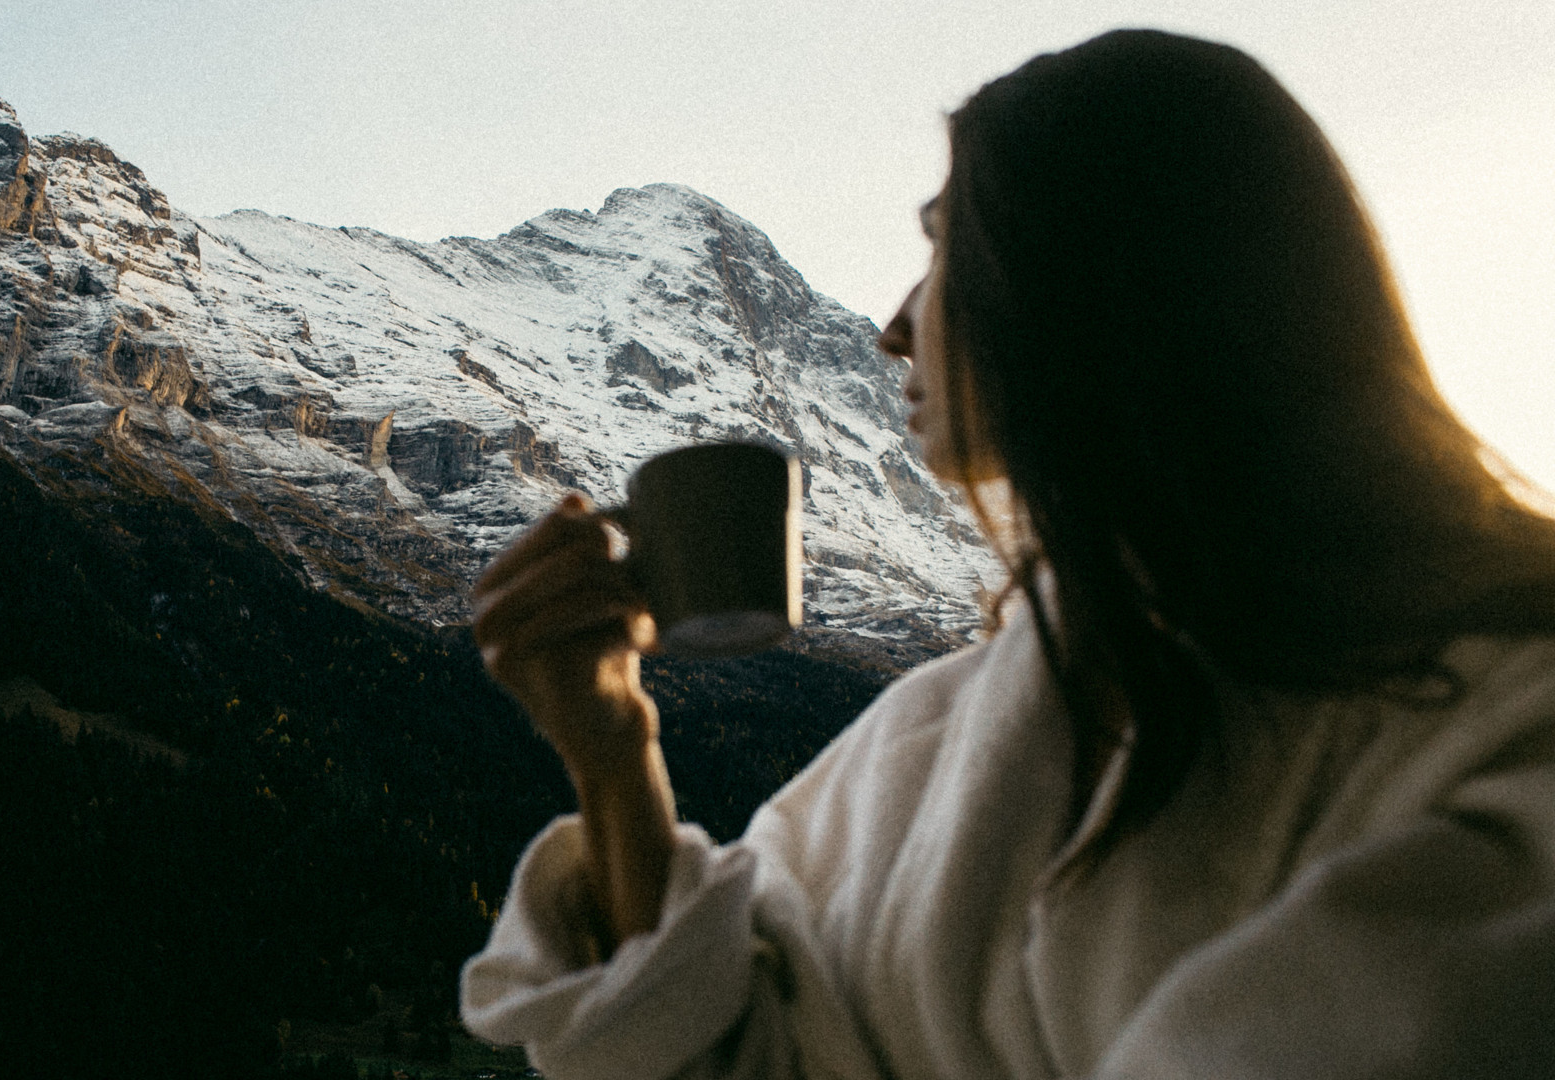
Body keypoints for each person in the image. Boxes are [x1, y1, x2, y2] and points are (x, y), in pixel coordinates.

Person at [460, 29, 1555, 1080]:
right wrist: (612, 754)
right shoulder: (932, 745)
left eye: (943, 244)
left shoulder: (1506, 708)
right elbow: (741, 1051)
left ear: (1084, 270)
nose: (893, 325)